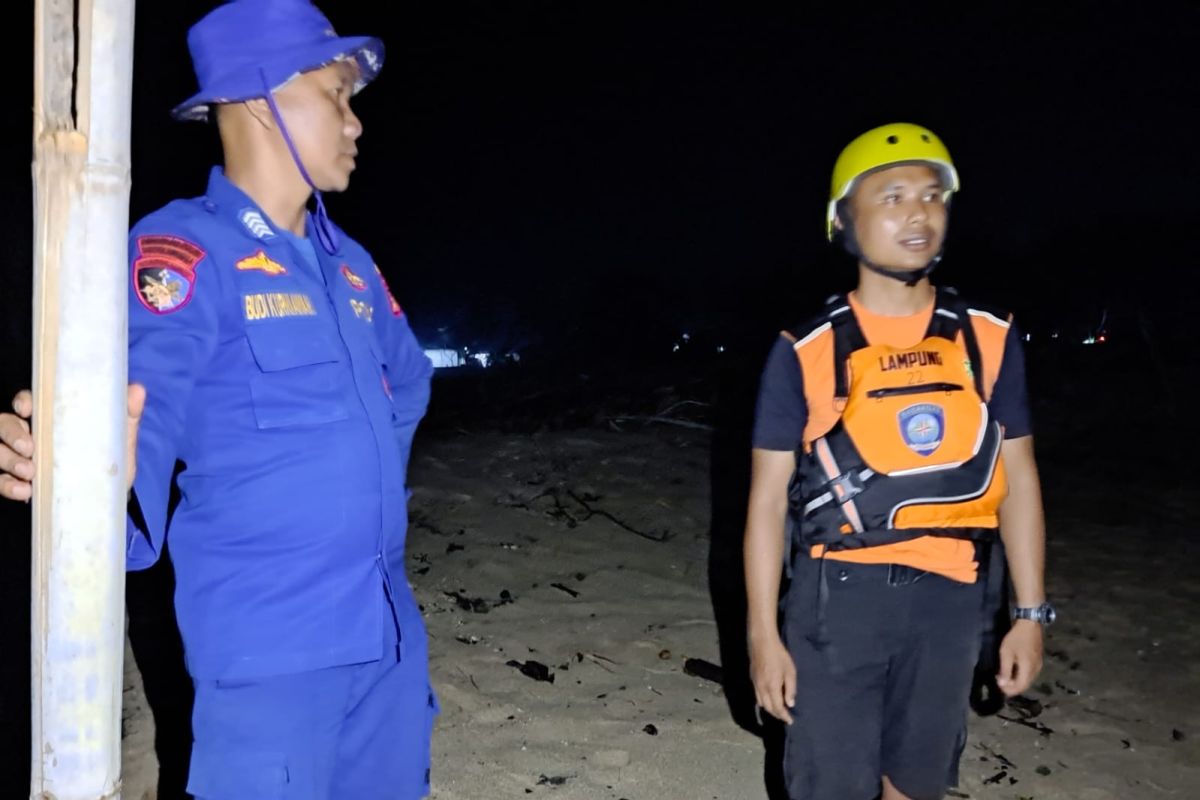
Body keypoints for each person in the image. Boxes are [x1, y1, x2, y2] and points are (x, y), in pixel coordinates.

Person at [1, 1, 437, 797]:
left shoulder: (352, 265)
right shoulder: (183, 251)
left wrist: (351, 488)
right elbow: (138, 407)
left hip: (387, 633)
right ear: (258, 100)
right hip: (271, 654)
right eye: (335, 95)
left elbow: (407, 383)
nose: (355, 123)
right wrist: (84, 469)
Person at [743, 122, 1052, 800]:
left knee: (915, 785)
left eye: (933, 195)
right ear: (843, 221)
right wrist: (763, 636)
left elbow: (1019, 479)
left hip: (953, 599)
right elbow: (767, 502)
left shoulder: (989, 336)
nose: (918, 212)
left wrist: (1029, 615)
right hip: (838, 605)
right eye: (892, 196)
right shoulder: (805, 350)